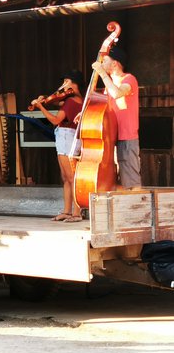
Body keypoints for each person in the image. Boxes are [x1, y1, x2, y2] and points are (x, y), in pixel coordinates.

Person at [30, 70, 85, 222]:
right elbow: (57, 101)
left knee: (71, 177)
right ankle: (67, 211)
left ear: (74, 84)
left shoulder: (70, 101)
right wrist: (45, 100)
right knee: (66, 177)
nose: (63, 85)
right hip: (70, 136)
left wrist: (41, 107)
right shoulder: (79, 99)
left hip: (66, 136)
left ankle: (76, 213)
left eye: (66, 82)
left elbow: (55, 120)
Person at [90, 46, 141, 189]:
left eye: (104, 60)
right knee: (114, 181)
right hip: (111, 137)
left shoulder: (129, 79)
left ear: (115, 63)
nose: (101, 63)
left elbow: (117, 93)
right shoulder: (108, 86)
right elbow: (104, 109)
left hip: (126, 136)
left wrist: (101, 73)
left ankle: (135, 208)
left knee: (130, 179)